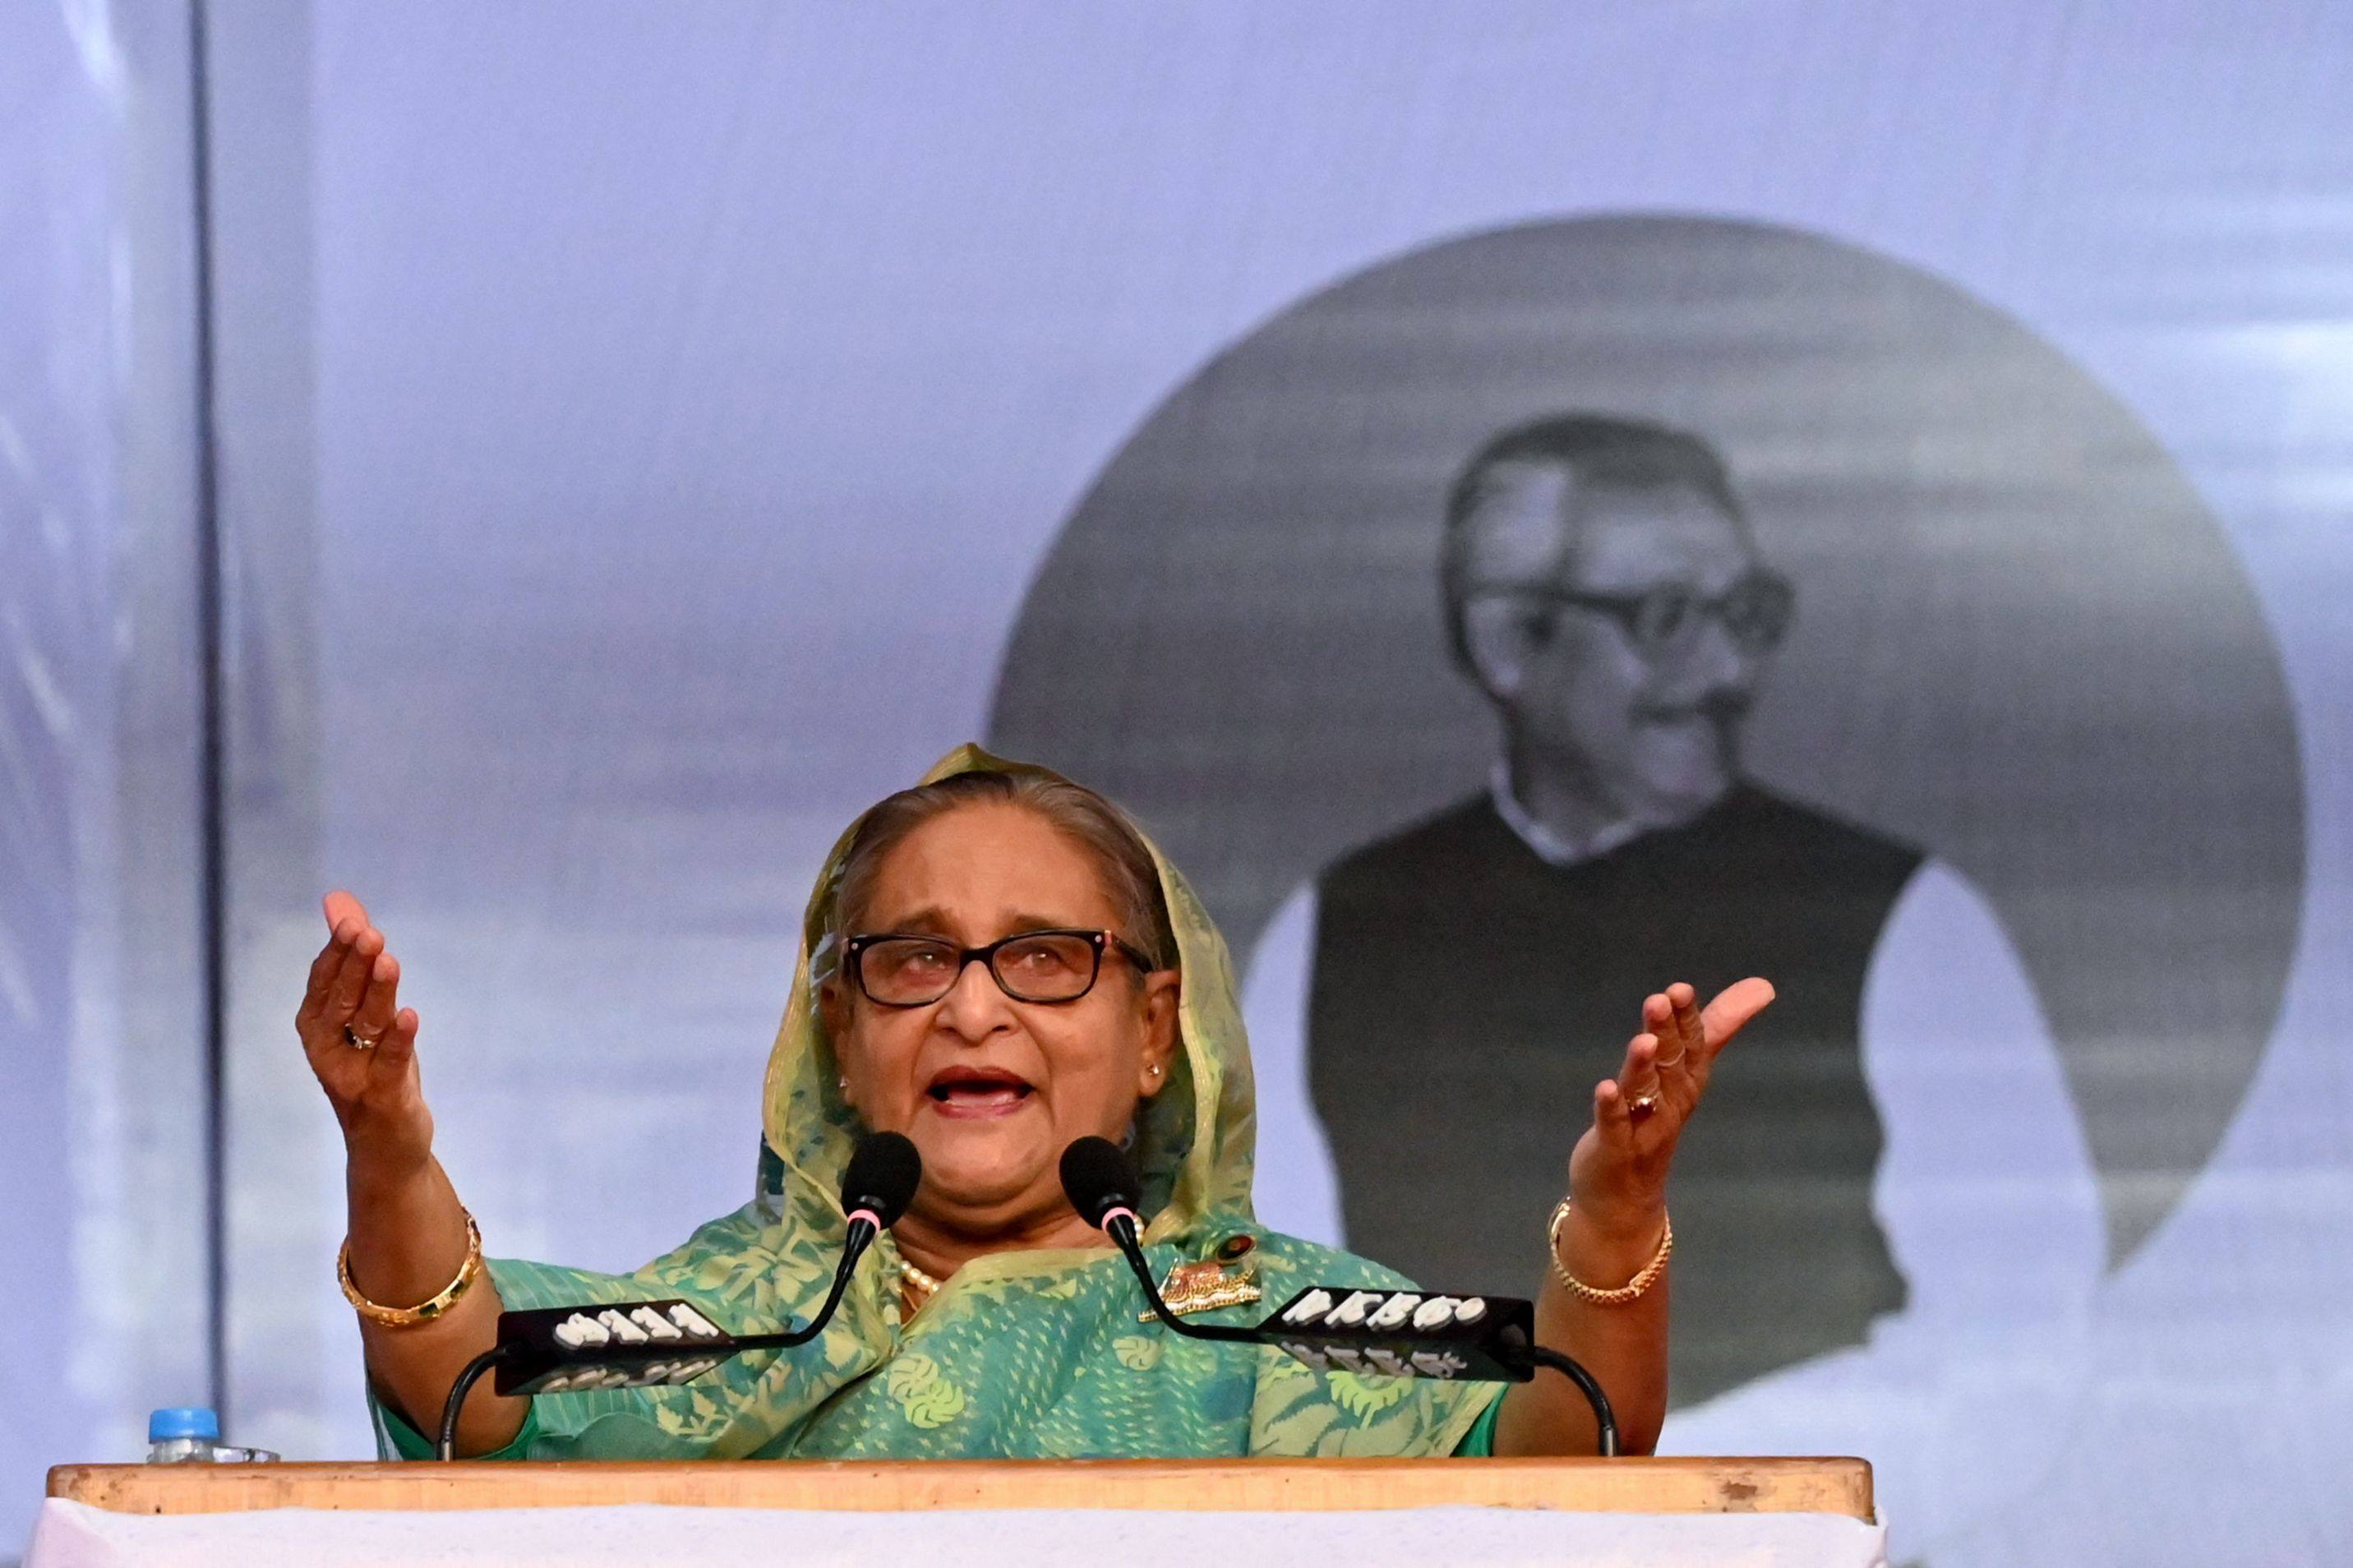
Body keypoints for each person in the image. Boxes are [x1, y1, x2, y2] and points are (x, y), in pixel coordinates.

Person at [297, 745, 1774, 1460]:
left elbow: (1564, 1444)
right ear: (837, 1022)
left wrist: (1617, 1206)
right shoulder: (754, 1317)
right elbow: (467, 1380)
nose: (972, 1002)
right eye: (914, 955)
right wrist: (387, 1142)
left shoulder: (1258, 1325)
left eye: (1043, 958)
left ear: (1149, 1031)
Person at [1247, 415, 1940, 1405]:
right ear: (1506, 643)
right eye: (1665, 617)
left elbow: (2005, 1351)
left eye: (1743, 613)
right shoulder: (1335, 925)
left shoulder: (1903, 913)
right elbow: (1289, 1323)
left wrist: (1648, 1503)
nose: (1727, 674)